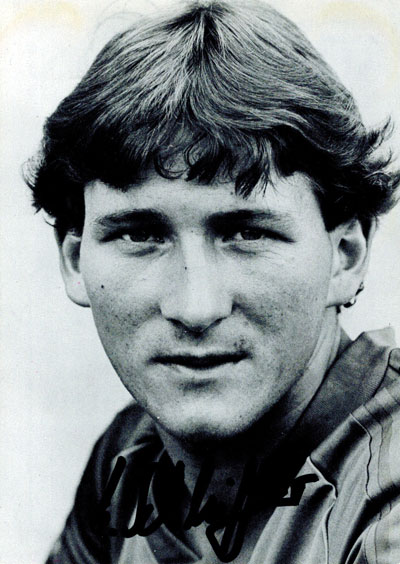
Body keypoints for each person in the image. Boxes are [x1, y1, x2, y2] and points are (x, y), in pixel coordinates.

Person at [25, 1, 400, 562]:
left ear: (345, 258)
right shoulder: (131, 456)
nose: (195, 307)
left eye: (248, 233)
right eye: (140, 234)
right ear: (75, 261)